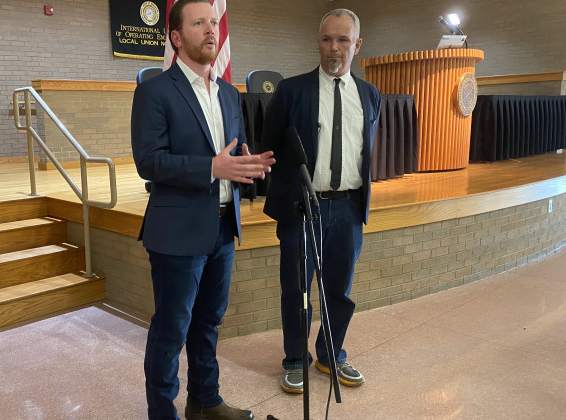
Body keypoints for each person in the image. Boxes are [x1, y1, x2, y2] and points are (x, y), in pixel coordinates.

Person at [130, 0, 275, 418]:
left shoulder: (230, 94)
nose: (212, 30)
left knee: (209, 323)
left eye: (214, 22)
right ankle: (163, 412)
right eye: (199, 23)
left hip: (222, 228)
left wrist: (247, 166)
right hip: (177, 231)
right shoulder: (154, 91)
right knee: (171, 329)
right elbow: (150, 161)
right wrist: (213, 167)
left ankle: (205, 401)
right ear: (177, 37)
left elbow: (233, 152)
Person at [262, 9, 381, 393]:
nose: (334, 47)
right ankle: (295, 359)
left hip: (347, 209)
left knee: (338, 290)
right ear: (318, 42)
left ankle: (331, 354)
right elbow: (270, 148)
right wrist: (288, 199)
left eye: (343, 40)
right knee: (297, 289)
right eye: (327, 39)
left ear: (357, 45)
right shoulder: (291, 91)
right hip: (303, 209)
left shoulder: (370, 95)